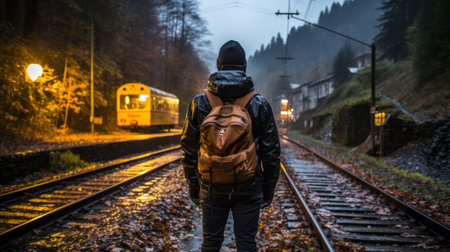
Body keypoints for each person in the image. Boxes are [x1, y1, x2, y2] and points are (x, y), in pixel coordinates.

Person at [181, 40, 280, 251]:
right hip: (249, 184)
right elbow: (271, 151)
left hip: (211, 184)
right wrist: (268, 189)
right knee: (246, 243)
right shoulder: (259, 103)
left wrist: (194, 186)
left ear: (218, 66)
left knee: (211, 243)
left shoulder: (200, 102)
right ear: (244, 67)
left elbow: (188, 148)